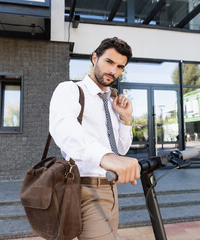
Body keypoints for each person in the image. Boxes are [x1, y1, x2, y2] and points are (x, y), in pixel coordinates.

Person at [49, 37, 140, 239]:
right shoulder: (70, 90)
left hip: (111, 188)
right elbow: (63, 128)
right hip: (85, 188)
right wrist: (105, 157)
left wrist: (126, 119)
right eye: (109, 62)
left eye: (120, 67)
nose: (113, 71)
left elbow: (120, 151)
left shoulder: (112, 102)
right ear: (94, 58)